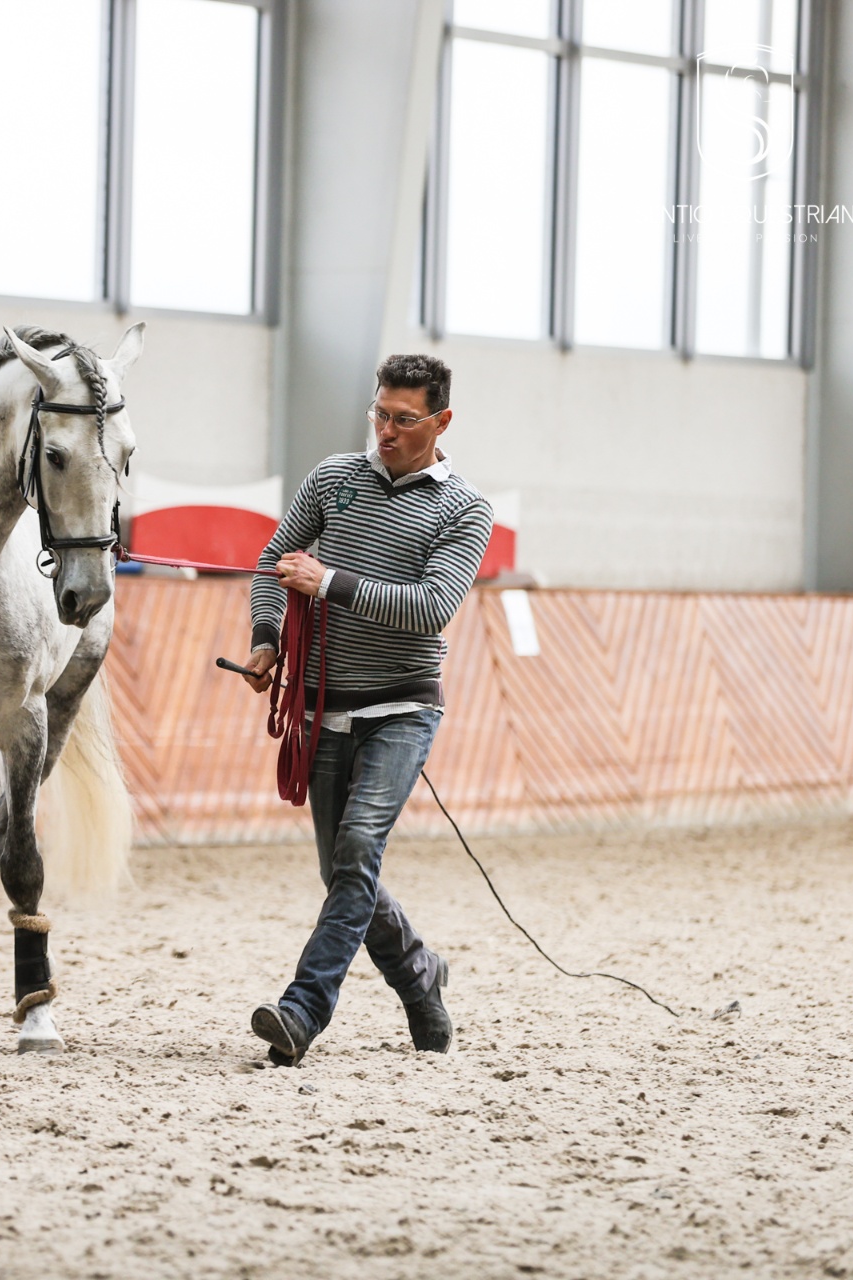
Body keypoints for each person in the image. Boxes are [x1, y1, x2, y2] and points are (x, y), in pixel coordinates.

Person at [240, 353, 493, 1066]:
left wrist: (328, 583)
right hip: (322, 706)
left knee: (356, 852)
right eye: (379, 413)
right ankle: (420, 973)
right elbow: (272, 562)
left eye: (404, 419)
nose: (385, 430)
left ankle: (302, 1011)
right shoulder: (333, 478)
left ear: (441, 421)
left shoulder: (464, 509)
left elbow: (431, 607)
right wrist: (266, 638)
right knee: (345, 875)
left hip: (403, 710)